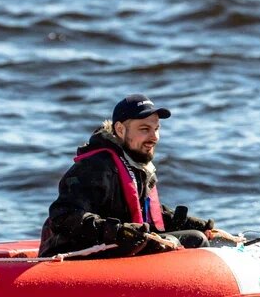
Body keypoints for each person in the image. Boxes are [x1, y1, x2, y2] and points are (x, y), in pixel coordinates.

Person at [38, 93, 240, 258]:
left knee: (197, 237)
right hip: (74, 253)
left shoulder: (136, 166)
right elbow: (63, 216)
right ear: (119, 129)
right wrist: (117, 231)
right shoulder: (95, 167)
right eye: (144, 129)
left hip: (117, 246)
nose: (154, 137)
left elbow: (151, 216)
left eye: (156, 129)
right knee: (178, 241)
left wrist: (194, 223)